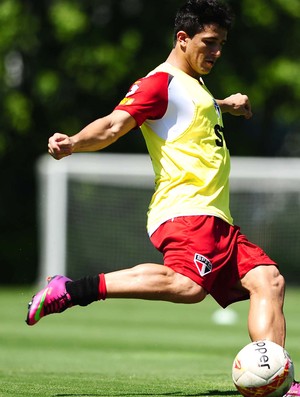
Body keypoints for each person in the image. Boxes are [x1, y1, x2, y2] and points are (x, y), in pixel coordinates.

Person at [26, 0, 299, 394]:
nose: (217, 52)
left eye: (222, 43)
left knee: (268, 281)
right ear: (182, 38)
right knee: (189, 287)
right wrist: (74, 143)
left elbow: (192, 110)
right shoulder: (159, 82)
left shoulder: (195, 87)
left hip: (216, 216)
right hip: (185, 209)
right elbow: (114, 124)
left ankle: (277, 381)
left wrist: (224, 105)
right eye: (210, 42)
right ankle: (70, 290)